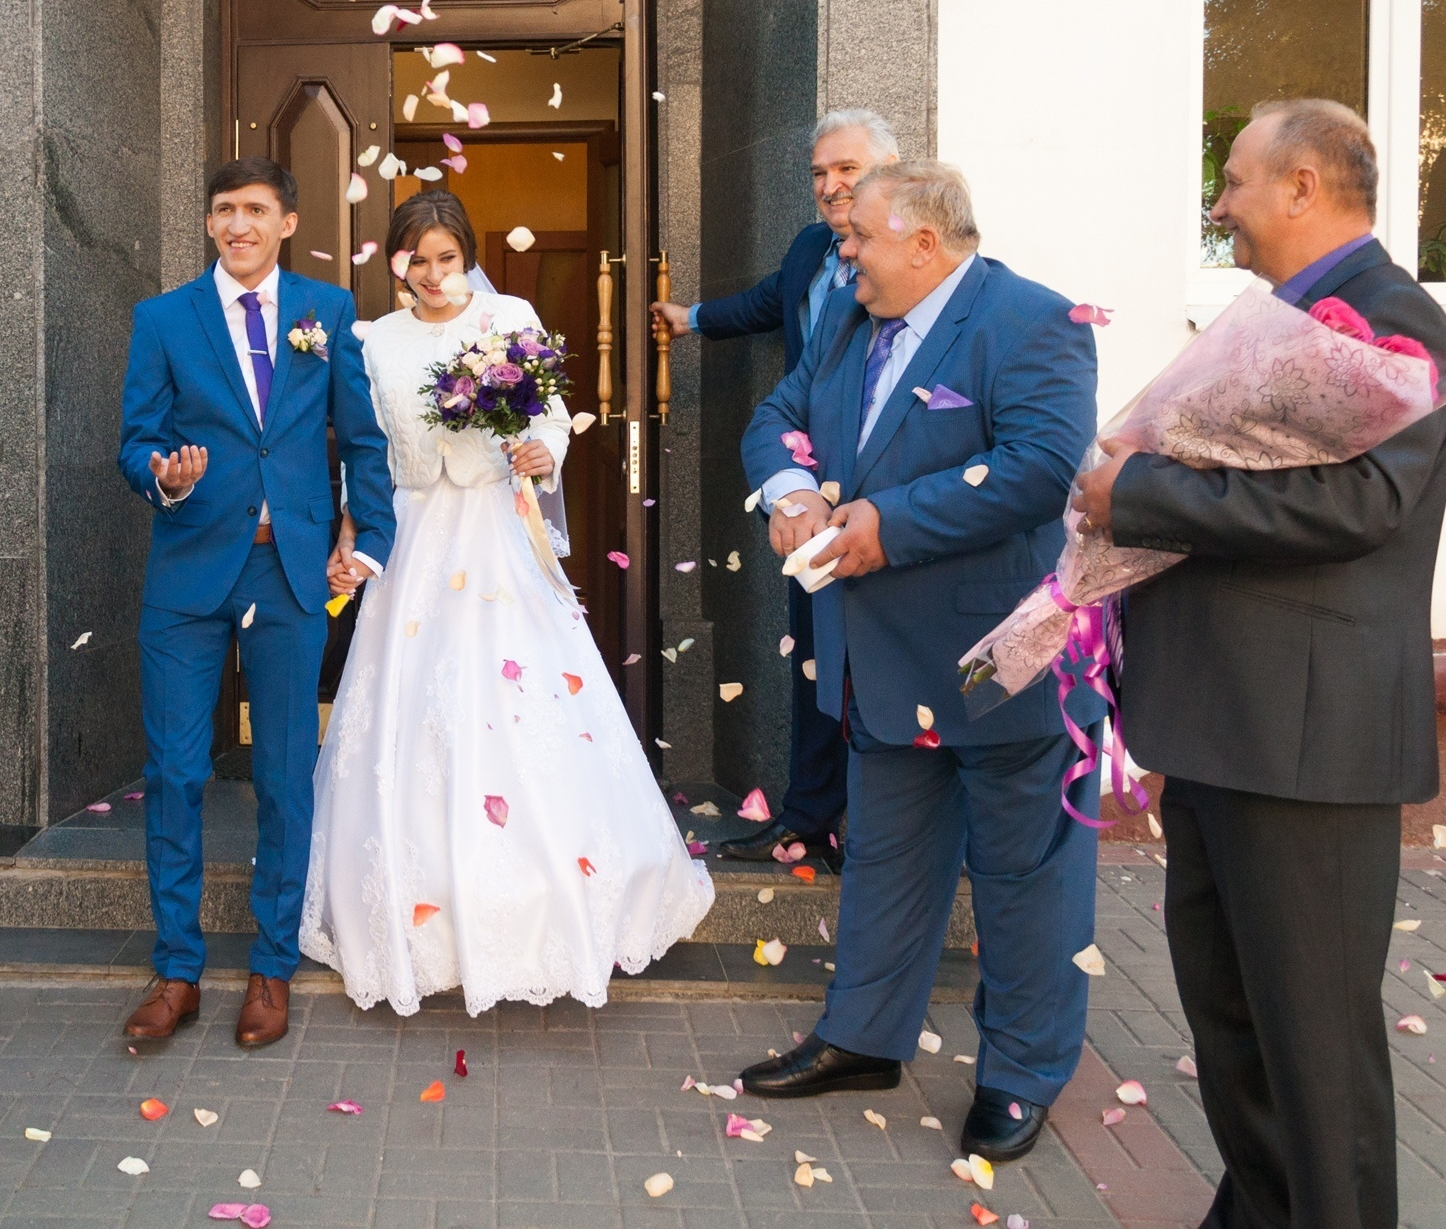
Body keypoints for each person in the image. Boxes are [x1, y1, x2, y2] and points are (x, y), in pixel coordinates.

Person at [1075, 100, 1446, 1229]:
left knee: (1316, 1052)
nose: (1221, 203)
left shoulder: (1398, 318)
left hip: (1310, 743)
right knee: (1235, 1029)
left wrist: (1135, 492)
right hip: (1219, 728)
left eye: (1236, 180)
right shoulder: (1276, 322)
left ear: (1303, 187)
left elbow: (1362, 502)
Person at [731, 161, 1099, 1167]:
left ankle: (1021, 1073)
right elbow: (777, 417)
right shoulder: (853, 322)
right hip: (881, 659)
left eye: (860, 238)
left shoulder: (1035, 321)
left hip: (1004, 656)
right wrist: (794, 493)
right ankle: (862, 1037)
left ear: (925, 244)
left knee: (1025, 876)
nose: (842, 254)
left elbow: (1039, 468)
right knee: (888, 859)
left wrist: (887, 524)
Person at [300, 189, 715, 1014]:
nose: (432, 275)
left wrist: (539, 447)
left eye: (446, 258)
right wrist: (353, 534)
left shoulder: (508, 316)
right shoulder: (370, 341)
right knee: (409, 707)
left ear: (467, 256)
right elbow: (361, 449)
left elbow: (553, 415)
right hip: (412, 535)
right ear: (395, 262)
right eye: (416, 259)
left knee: (514, 701)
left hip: (493, 527)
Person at [115, 156, 397, 1049]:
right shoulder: (162, 319)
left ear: (286, 222)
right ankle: (177, 968)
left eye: (256, 209)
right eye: (225, 210)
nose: (239, 224)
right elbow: (137, 439)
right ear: (209, 224)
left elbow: (361, 437)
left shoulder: (329, 311)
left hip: (293, 572)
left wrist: (372, 537)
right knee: (176, 770)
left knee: (283, 774)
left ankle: (272, 966)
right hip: (190, 572)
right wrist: (161, 473)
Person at [651, 109, 901, 868]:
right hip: (803, 491)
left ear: (888, 173)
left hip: (885, 495)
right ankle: (810, 819)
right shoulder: (810, 249)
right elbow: (767, 303)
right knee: (816, 661)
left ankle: (885, 832)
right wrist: (689, 317)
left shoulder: (916, 263)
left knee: (877, 665)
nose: (831, 186)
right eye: (820, 173)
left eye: (847, 171)